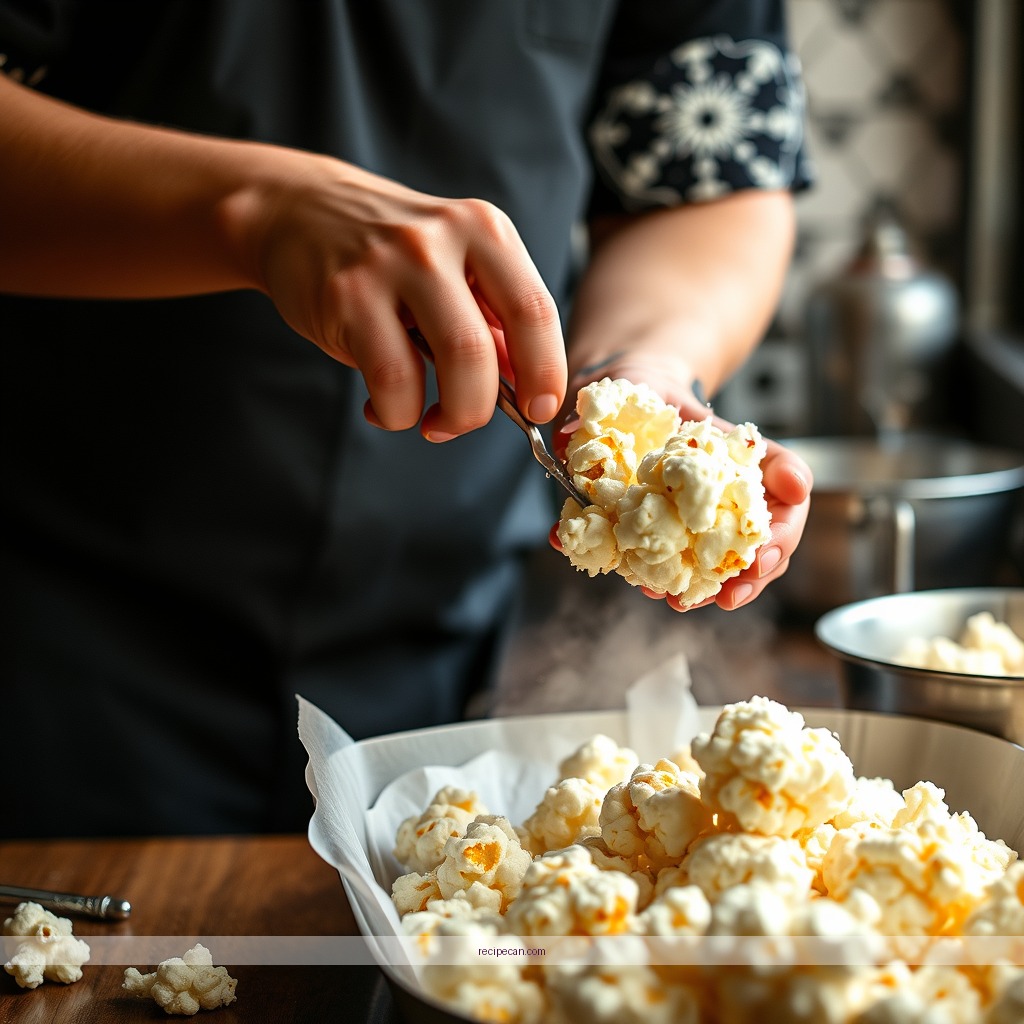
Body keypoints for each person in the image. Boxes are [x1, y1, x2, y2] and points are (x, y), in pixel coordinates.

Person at [0, 1, 813, 839]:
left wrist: (636, 379)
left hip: (440, 625)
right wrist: (256, 209)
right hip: (61, 605)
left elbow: (704, 176)